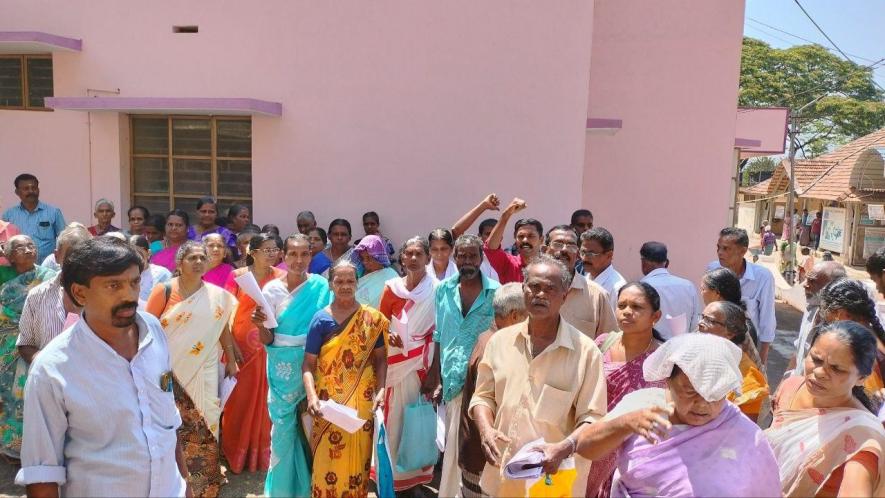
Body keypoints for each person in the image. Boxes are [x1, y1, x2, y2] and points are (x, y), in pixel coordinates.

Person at [15, 237, 188, 497]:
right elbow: (42, 473)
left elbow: (167, 425)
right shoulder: (52, 370)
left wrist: (184, 484)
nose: (129, 296)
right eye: (113, 285)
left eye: (134, 282)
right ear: (80, 293)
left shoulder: (153, 330)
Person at [539, 333, 781, 498]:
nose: (702, 404)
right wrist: (625, 424)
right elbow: (588, 449)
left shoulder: (744, 435)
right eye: (690, 392)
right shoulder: (642, 405)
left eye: (715, 396)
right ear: (668, 381)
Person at [469, 255, 606, 496]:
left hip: (554, 481)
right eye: (534, 286)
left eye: (550, 289)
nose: (540, 294)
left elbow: (593, 417)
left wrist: (563, 448)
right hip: (503, 477)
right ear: (523, 290)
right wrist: (486, 430)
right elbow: (483, 397)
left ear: (564, 296)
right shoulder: (499, 342)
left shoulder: (586, 352)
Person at [145, 241, 239, 497]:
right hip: (167, 370)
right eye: (192, 258)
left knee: (208, 419)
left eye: (202, 257)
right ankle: (172, 482)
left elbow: (222, 329)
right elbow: (147, 330)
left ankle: (205, 483)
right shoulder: (164, 291)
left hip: (205, 368)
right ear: (179, 263)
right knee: (170, 424)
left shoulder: (216, 296)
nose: (198, 262)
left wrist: (230, 360)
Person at [252, 233, 333, 498]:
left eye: (304, 254)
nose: (299, 260)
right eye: (293, 254)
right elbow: (268, 338)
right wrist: (259, 324)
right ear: (283, 256)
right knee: (284, 428)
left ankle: (312, 486)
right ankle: (283, 489)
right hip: (281, 367)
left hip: (314, 362)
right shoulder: (271, 290)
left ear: (311, 255)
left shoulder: (321, 286)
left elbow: (329, 328)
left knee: (312, 424)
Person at [766, 322, 885, 496]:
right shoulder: (791, 387)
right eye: (816, 359)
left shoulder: (863, 437)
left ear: (861, 378)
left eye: (837, 369)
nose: (820, 372)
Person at [302, 260, 388, 498]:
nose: (345, 286)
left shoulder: (372, 319)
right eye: (339, 281)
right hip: (327, 405)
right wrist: (311, 398)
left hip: (362, 403)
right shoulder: (320, 320)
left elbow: (381, 359)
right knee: (326, 459)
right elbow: (308, 364)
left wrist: (381, 390)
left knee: (358, 459)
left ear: (357, 283)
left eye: (350, 281)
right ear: (330, 284)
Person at [426, 234, 500, 497]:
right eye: (462, 256)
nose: (467, 261)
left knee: (474, 448)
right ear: (454, 258)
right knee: (452, 449)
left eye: (472, 255)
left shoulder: (496, 292)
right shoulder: (443, 289)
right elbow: (438, 333)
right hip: (452, 380)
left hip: (483, 383)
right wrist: (435, 374)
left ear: (481, 258)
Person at [584, 282, 667, 498]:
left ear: (655, 316)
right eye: (622, 306)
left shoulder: (663, 360)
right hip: (595, 443)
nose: (627, 312)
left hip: (635, 455)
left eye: (637, 307)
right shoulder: (602, 344)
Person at [222, 233, 287, 473]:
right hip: (241, 348)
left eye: (275, 249)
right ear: (253, 252)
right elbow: (226, 311)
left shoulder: (282, 277)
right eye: (267, 249)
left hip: (271, 345)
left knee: (267, 401)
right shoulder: (237, 276)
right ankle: (235, 453)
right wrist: (231, 347)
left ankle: (262, 456)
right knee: (239, 400)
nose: (272, 253)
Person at [378, 236, 438, 492]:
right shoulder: (391, 287)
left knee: (417, 419)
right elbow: (379, 322)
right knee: (393, 419)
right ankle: (391, 476)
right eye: (409, 254)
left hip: (421, 365)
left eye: (418, 254)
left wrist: (435, 375)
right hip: (394, 362)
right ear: (401, 258)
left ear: (427, 258)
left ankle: (416, 477)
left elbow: (440, 331)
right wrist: (386, 333)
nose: (413, 258)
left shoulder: (438, 288)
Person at [458, 283, 526, 497]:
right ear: (515, 316)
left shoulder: (487, 337)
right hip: (484, 459)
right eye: (529, 314)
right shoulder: (496, 347)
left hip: (478, 455)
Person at [0, 235, 57, 458]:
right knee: (11, 397)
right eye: (20, 247)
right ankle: (12, 447)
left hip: (40, 341)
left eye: (31, 245)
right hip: (9, 348)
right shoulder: (6, 283)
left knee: (35, 395)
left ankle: (36, 448)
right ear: (10, 256)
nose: (28, 249)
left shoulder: (50, 278)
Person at [17, 226, 91, 364]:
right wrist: (46, 365)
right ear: (57, 256)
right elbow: (25, 343)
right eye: (71, 256)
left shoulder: (104, 295)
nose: (77, 263)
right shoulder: (37, 296)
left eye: (84, 257)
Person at [707, 227, 776, 364]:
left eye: (726, 249)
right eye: (718, 248)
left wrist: (762, 358)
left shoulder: (762, 277)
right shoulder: (713, 270)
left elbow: (767, 318)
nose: (720, 253)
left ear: (743, 251)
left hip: (746, 349)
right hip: (715, 346)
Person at [698, 301, 769, 421]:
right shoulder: (694, 356)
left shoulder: (748, 378)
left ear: (730, 333)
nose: (700, 323)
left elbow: (745, 431)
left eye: (710, 320)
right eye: (702, 317)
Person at [814, 279, 885, 395]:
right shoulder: (871, 339)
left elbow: (867, 400)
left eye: (836, 368)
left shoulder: (862, 351)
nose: (825, 322)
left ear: (840, 314)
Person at [544, 225, 617, 338]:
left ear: (578, 254)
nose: (564, 249)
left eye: (571, 245)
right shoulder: (530, 291)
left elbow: (609, 343)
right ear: (544, 250)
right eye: (558, 244)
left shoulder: (597, 296)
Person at [790, 261, 846, 376]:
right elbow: (798, 352)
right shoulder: (811, 309)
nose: (805, 284)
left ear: (832, 286)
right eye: (806, 279)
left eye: (812, 281)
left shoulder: (843, 326)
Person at [639, 241, 702, 339]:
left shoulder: (641, 287)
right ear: (667, 263)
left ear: (643, 262)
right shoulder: (688, 286)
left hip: (652, 350)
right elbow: (695, 325)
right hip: (682, 347)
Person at [2, 173, 66, 263]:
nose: (31, 191)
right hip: (18, 270)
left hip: (47, 269)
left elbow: (64, 240)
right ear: (17, 192)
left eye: (34, 188)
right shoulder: (9, 215)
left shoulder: (53, 212)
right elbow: (6, 245)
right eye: (26, 189)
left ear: (38, 190)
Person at [582, 227, 627, 311]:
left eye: (591, 254)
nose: (585, 258)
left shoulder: (617, 289)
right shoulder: (586, 278)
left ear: (609, 255)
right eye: (583, 252)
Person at [350, 234, 399, 308]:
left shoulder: (391, 276)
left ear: (378, 257)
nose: (365, 262)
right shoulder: (357, 273)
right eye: (362, 258)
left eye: (369, 258)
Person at [128, 235, 173, 306]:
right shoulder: (122, 275)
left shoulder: (162, 274)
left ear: (148, 253)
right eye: (130, 254)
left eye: (139, 253)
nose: (135, 257)